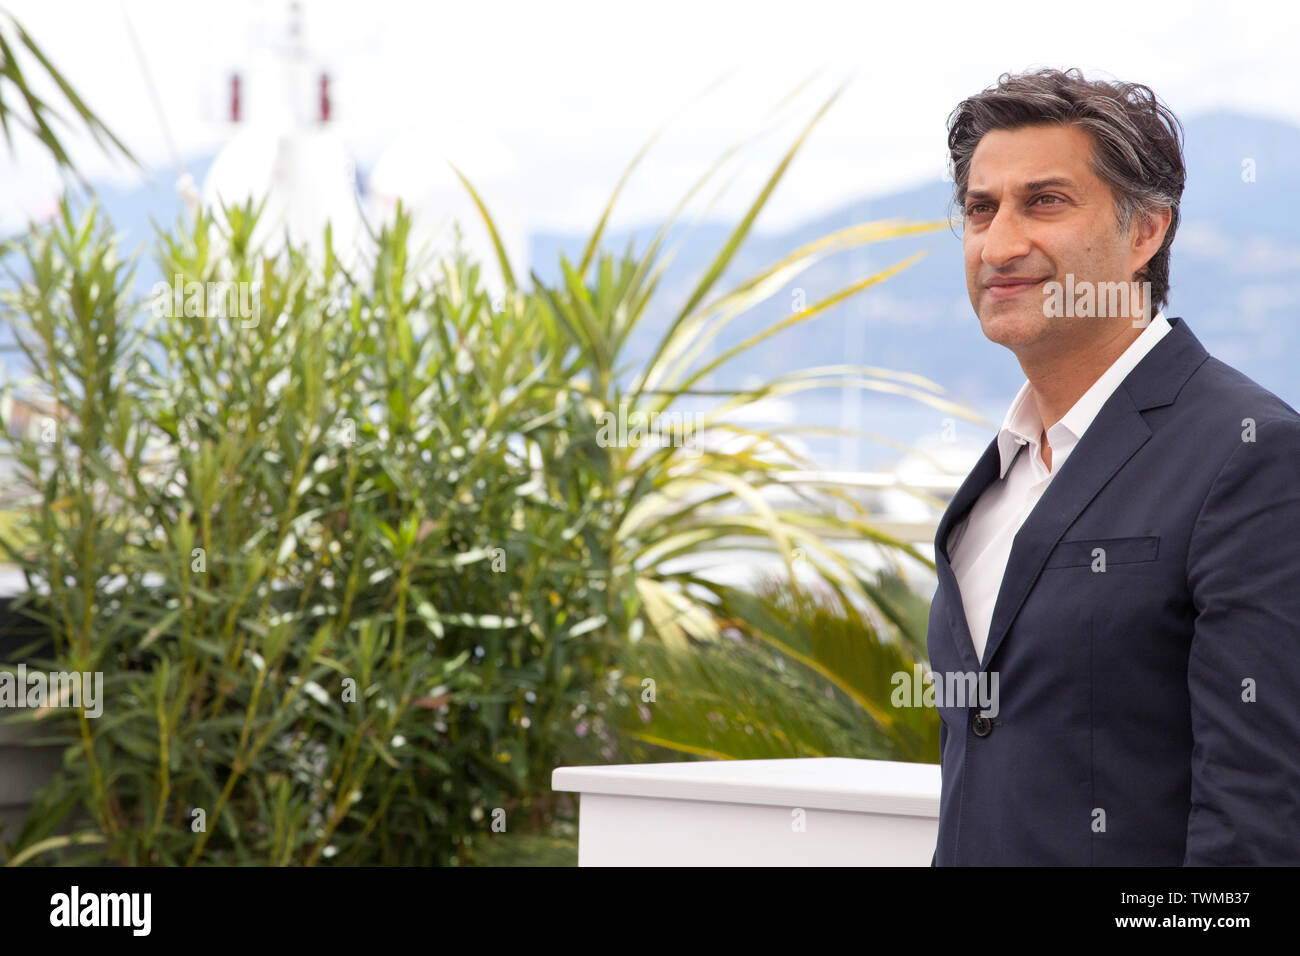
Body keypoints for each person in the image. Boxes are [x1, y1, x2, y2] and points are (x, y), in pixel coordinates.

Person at [926, 67, 1300, 865]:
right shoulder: (996, 480)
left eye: (1045, 202)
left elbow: (1259, 815)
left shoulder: (1254, 453)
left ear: (1146, 233)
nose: (1000, 244)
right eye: (980, 209)